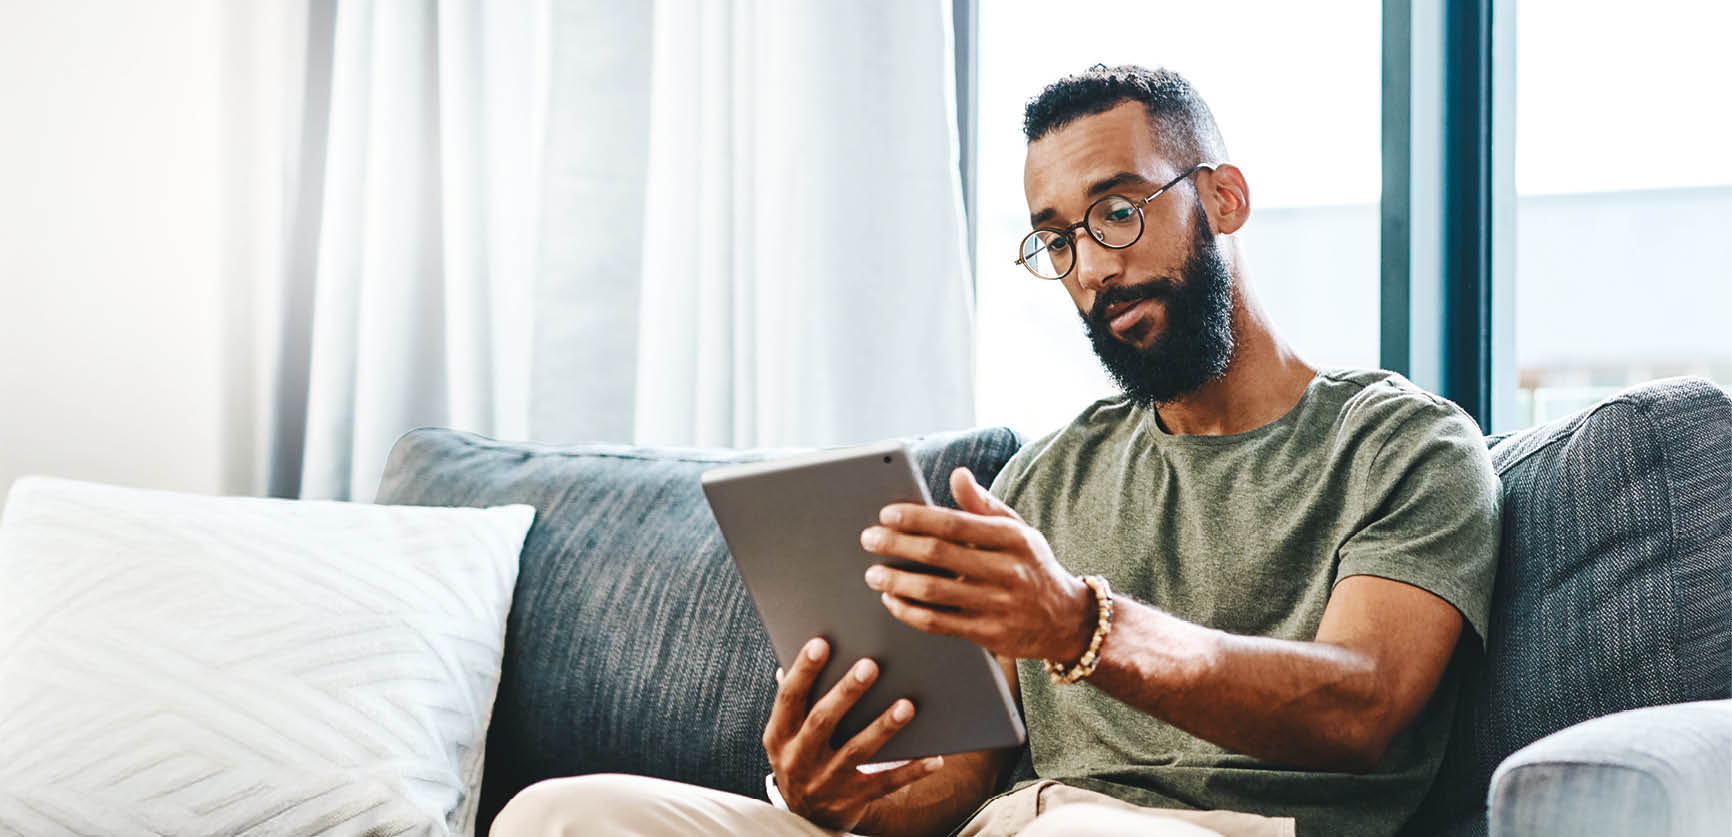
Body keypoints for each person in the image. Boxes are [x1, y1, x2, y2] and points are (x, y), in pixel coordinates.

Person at [491, 64, 1501, 837]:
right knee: (562, 814)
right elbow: (965, 780)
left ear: (1223, 200)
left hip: (1200, 831)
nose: (1093, 270)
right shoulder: (1048, 476)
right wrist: (833, 792)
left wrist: (1079, 624)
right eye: (1056, 239)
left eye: (1117, 211)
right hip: (1010, 823)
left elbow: (1363, 705)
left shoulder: (1402, 443)